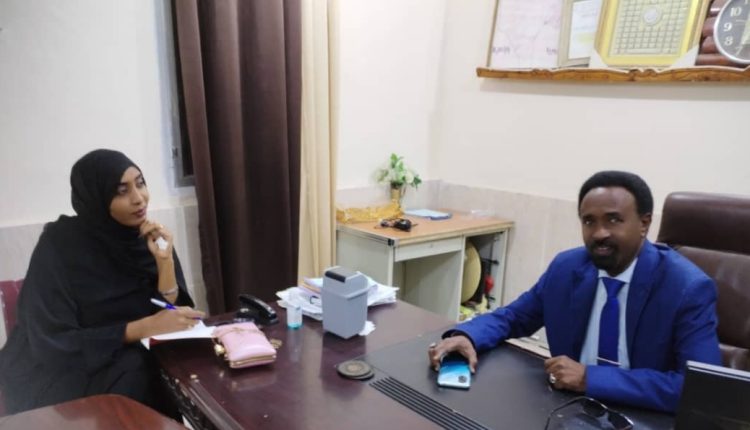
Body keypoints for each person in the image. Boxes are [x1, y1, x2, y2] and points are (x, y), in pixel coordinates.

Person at [428, 171, 722, 413]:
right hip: (570, 409)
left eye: (613, 219)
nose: (599, 233)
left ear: (644, 223)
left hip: (642, 416)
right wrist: (468, 336)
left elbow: (701, 391)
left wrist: (590, 379)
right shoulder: (567, 268)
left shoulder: (686, 288)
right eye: (589, 221)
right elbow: (514, 317)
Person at [0, 149, 205, 416]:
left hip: (129, 359)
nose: (138, 198)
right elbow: (53, 342)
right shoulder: (60, 246)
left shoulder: (147, 238)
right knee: (137, 368)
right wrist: (142, 327)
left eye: (140, 184)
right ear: (96, 197)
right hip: (62, 372)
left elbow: (165, 314)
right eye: (121, 191)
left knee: (181, 362)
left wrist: (165, 264)